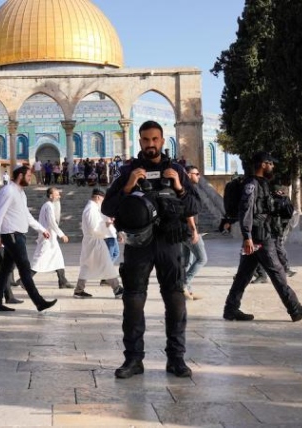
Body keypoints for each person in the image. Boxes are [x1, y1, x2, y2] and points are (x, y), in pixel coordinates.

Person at [102, 120, 200, 379]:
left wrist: (179, 187)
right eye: (145, 140)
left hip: (169, 243)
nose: (150, 145)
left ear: (162, 140)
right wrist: (128, 186)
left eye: (155, 140)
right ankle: (134, 360)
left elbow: (194, 206)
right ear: (140, 141)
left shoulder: (176, 169)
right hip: (139, 246)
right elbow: (107, 208)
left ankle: (176, 359)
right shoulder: (129, 172)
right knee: (133, 301)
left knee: (175, 300)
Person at [222, 151, 302, 323]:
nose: (273, 166)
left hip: (259, 233)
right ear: (263, 164)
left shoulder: (263, 184)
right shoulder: (251, 184)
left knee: (243, 275)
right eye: (271, 163)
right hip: (259, 236)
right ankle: (295, 309)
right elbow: (247, 210)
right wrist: (247, 237)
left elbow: (263, 208)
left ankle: (230, 309)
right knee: (277, 272)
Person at [0, 166, 57, 312]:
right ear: (20, 175)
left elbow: (27, 216)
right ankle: (39, 302)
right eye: (28, 175)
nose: (30, 178)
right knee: (25, 268)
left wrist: (41, 229)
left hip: (19, 234)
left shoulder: (21, 193)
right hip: (11, 235)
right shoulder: (8, 191)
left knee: (5, 270)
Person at [74, 188, 123, 298]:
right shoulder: (91, 209)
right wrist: (106, 225)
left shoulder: (93, 208)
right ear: (97, 197)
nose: (103, 201)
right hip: (94, 241)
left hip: (93, 241)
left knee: (86, 266)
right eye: (102, 199)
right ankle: (117, 289)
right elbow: (93, 228)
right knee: (106, 264)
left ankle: (78, 290)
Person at [23, 187, 73, 289]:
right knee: (39, 261)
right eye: (57, 194)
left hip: (50, 237)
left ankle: (62, 280)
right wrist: (61, 234)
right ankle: (24, 281)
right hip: (48, 238)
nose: (59, 196)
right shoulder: (49, 206)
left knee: (58, 259)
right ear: (51, 196)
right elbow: (51, 222)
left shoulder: (48, 205)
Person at [181, 165, 208, 301]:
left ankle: (187, 292)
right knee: (202, 259)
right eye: (196, 173)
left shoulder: (185, 188)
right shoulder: (187, 190)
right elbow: (188, 213)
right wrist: (194, 231)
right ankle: (183, 284)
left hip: (184, 231)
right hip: (188, 230)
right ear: (188, 174)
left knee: (186, 262)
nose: (199, 176)